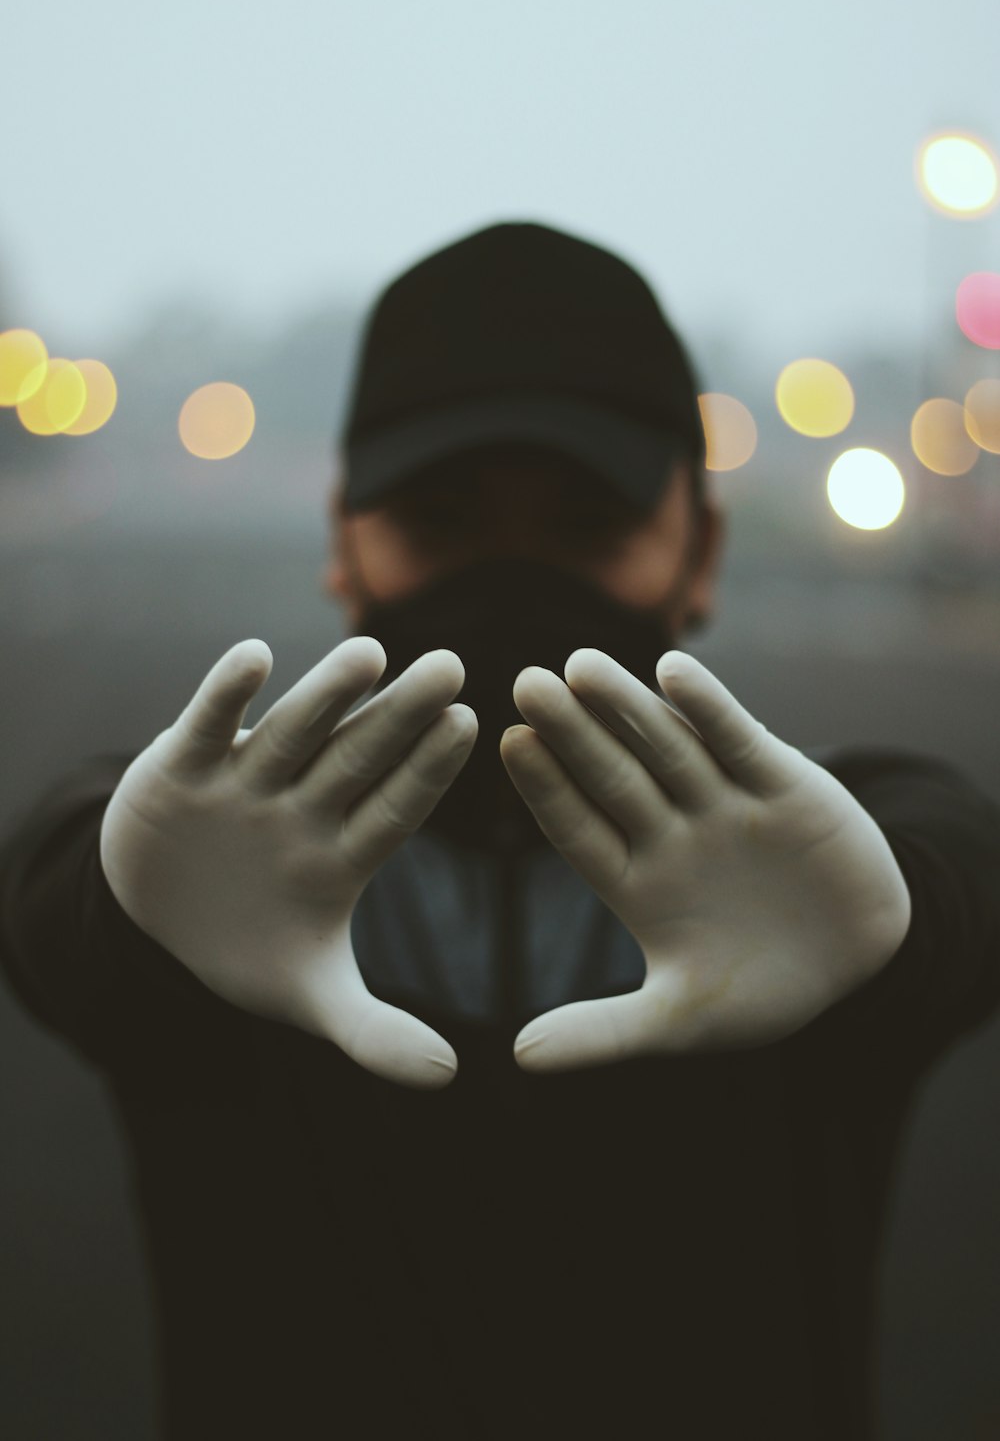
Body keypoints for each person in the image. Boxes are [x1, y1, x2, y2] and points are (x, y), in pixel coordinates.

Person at [1, 221, 999, 1440]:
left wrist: (900, 924)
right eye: (443, 520)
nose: (511, 576)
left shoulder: (799, 856)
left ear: (705, 545)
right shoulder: (228, 853)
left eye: (585, 525)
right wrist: (123, 900)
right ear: (341, 543)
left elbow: (948, 850)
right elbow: (60, 886)